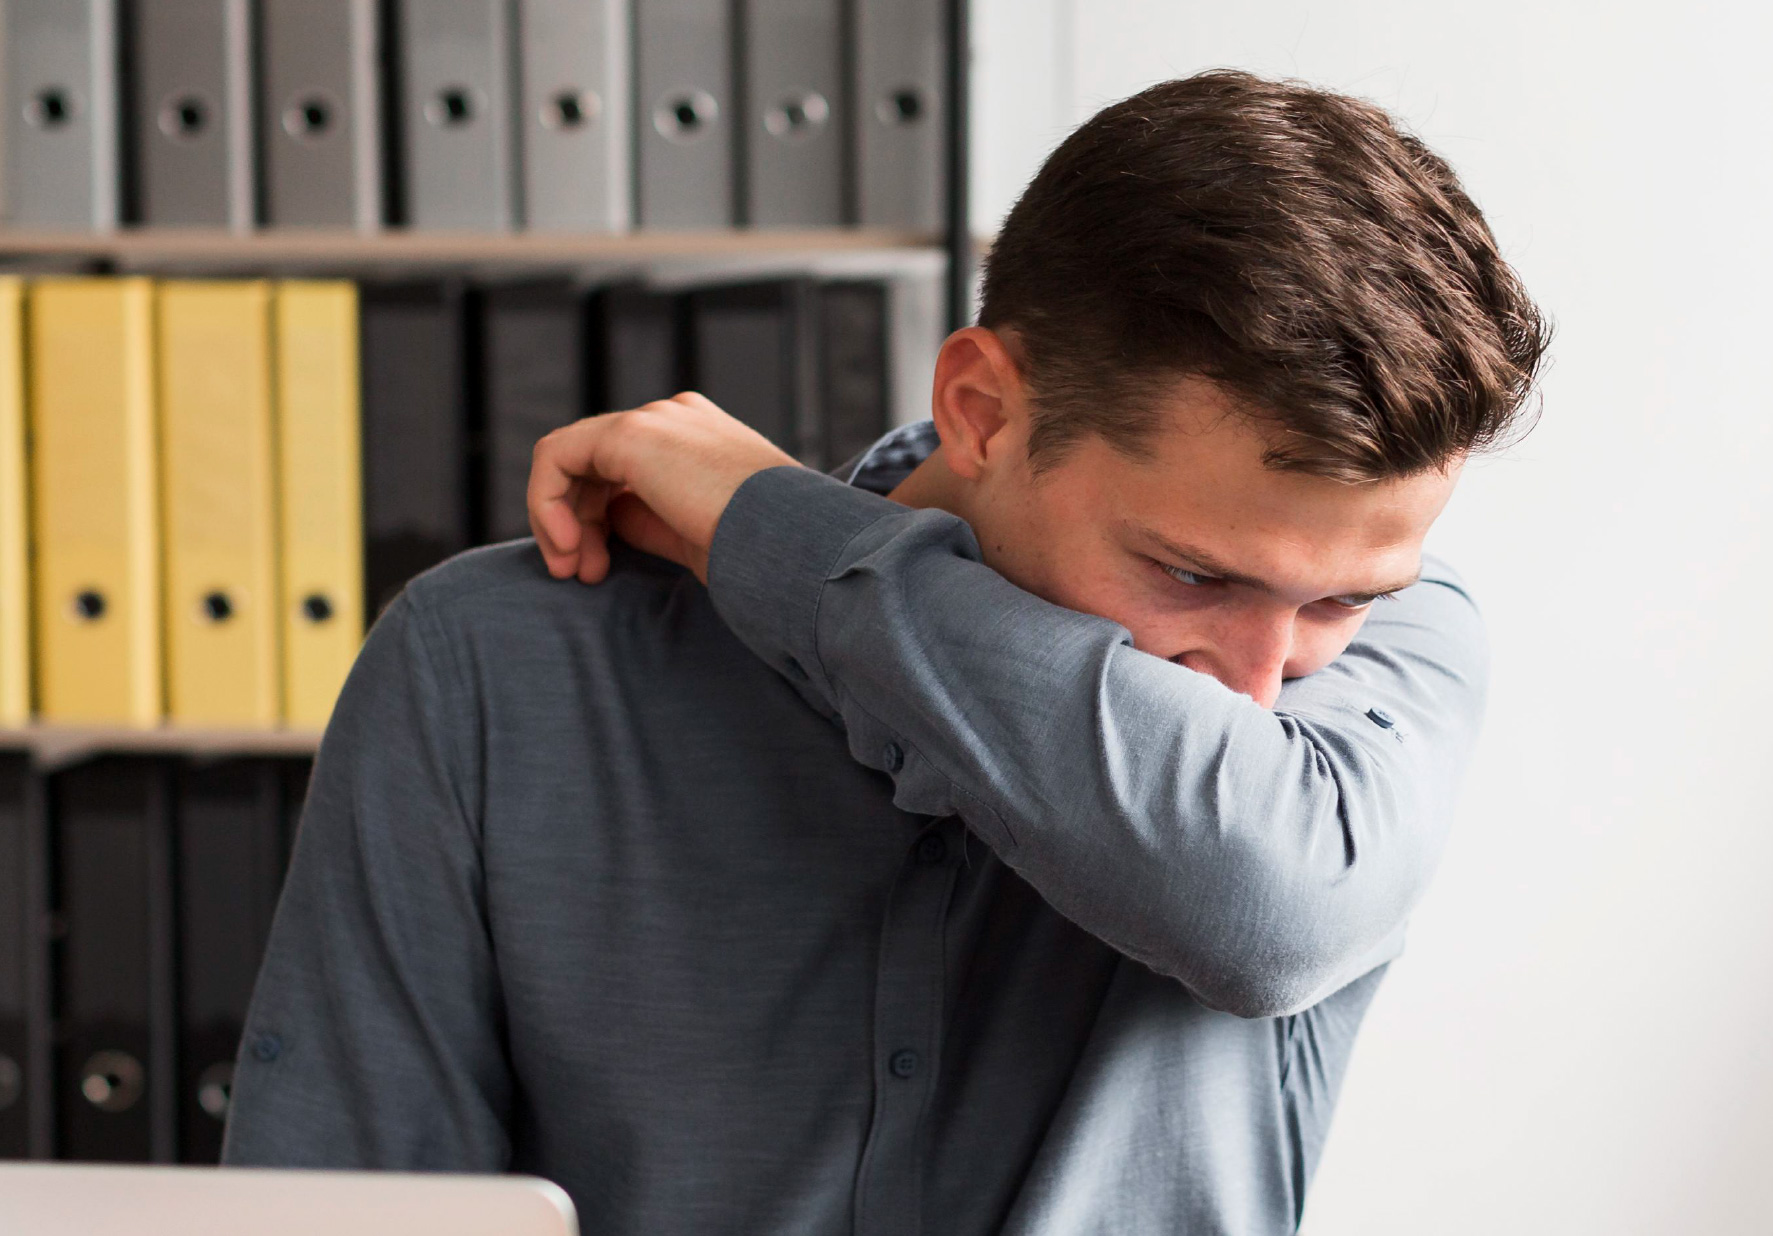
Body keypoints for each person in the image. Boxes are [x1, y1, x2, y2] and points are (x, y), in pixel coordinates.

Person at [223, 71, 1548, 1234]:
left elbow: (1266, 900)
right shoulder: (495, 667)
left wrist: (769, 530)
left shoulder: (1408, 651)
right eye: (1190, 574)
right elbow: (346, 1202)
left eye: (1335, 602)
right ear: (978, 410)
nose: (1260, 686)